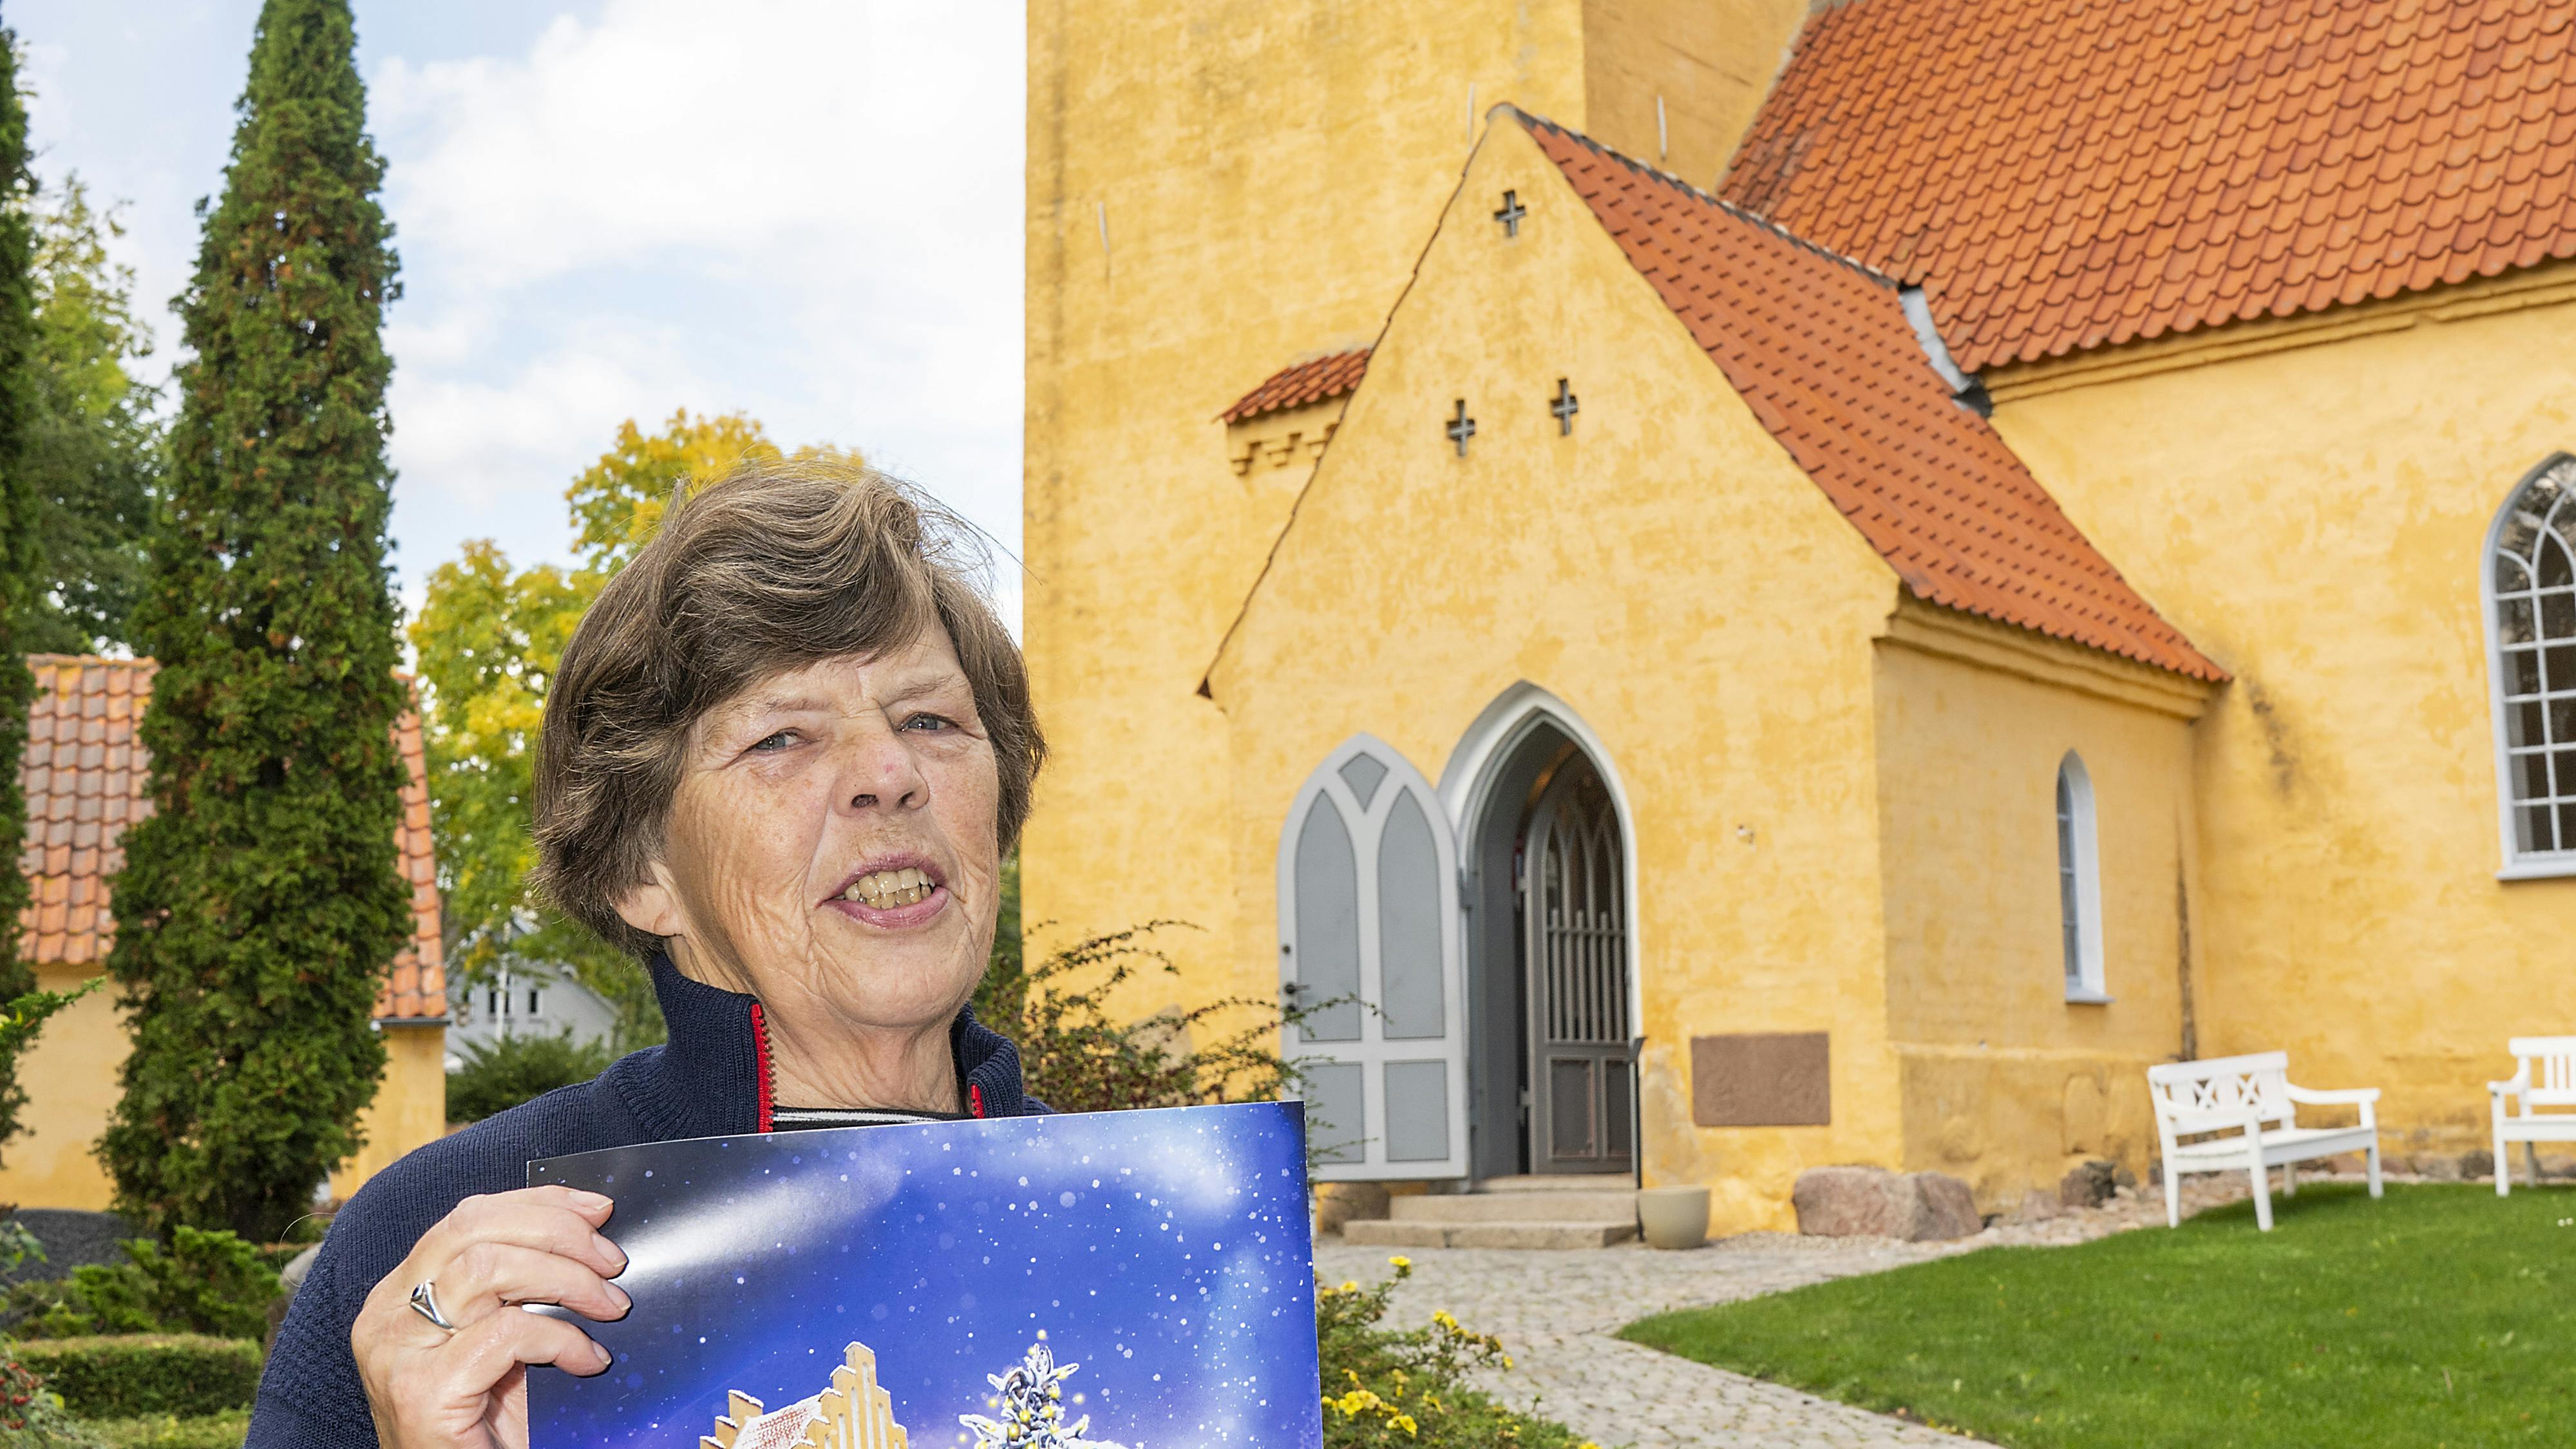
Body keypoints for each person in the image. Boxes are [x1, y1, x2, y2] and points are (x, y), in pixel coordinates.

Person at [246, 460, 1050, 1448]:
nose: (890, 774)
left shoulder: (1155, 1221)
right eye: (782, 737)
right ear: (642, 872)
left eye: (930, 719)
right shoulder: (425, 1251)